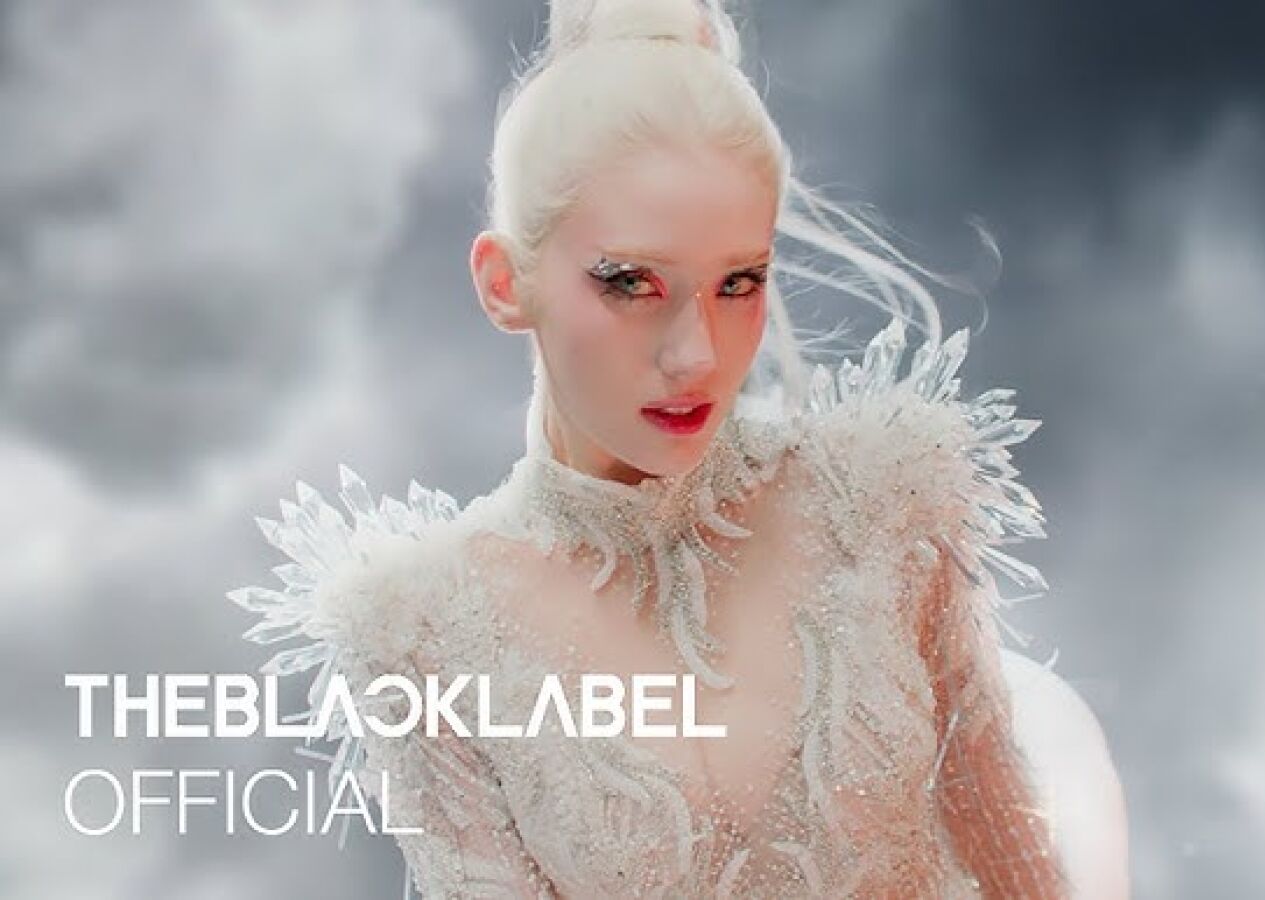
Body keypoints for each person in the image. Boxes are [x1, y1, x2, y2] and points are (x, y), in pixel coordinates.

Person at [228, 0, 1129, 896]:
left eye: (739, 283)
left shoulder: (882, 504)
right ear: (504, 283)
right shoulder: (422, 630)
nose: (696, 354)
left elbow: (1018, 864)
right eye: (630, 283)